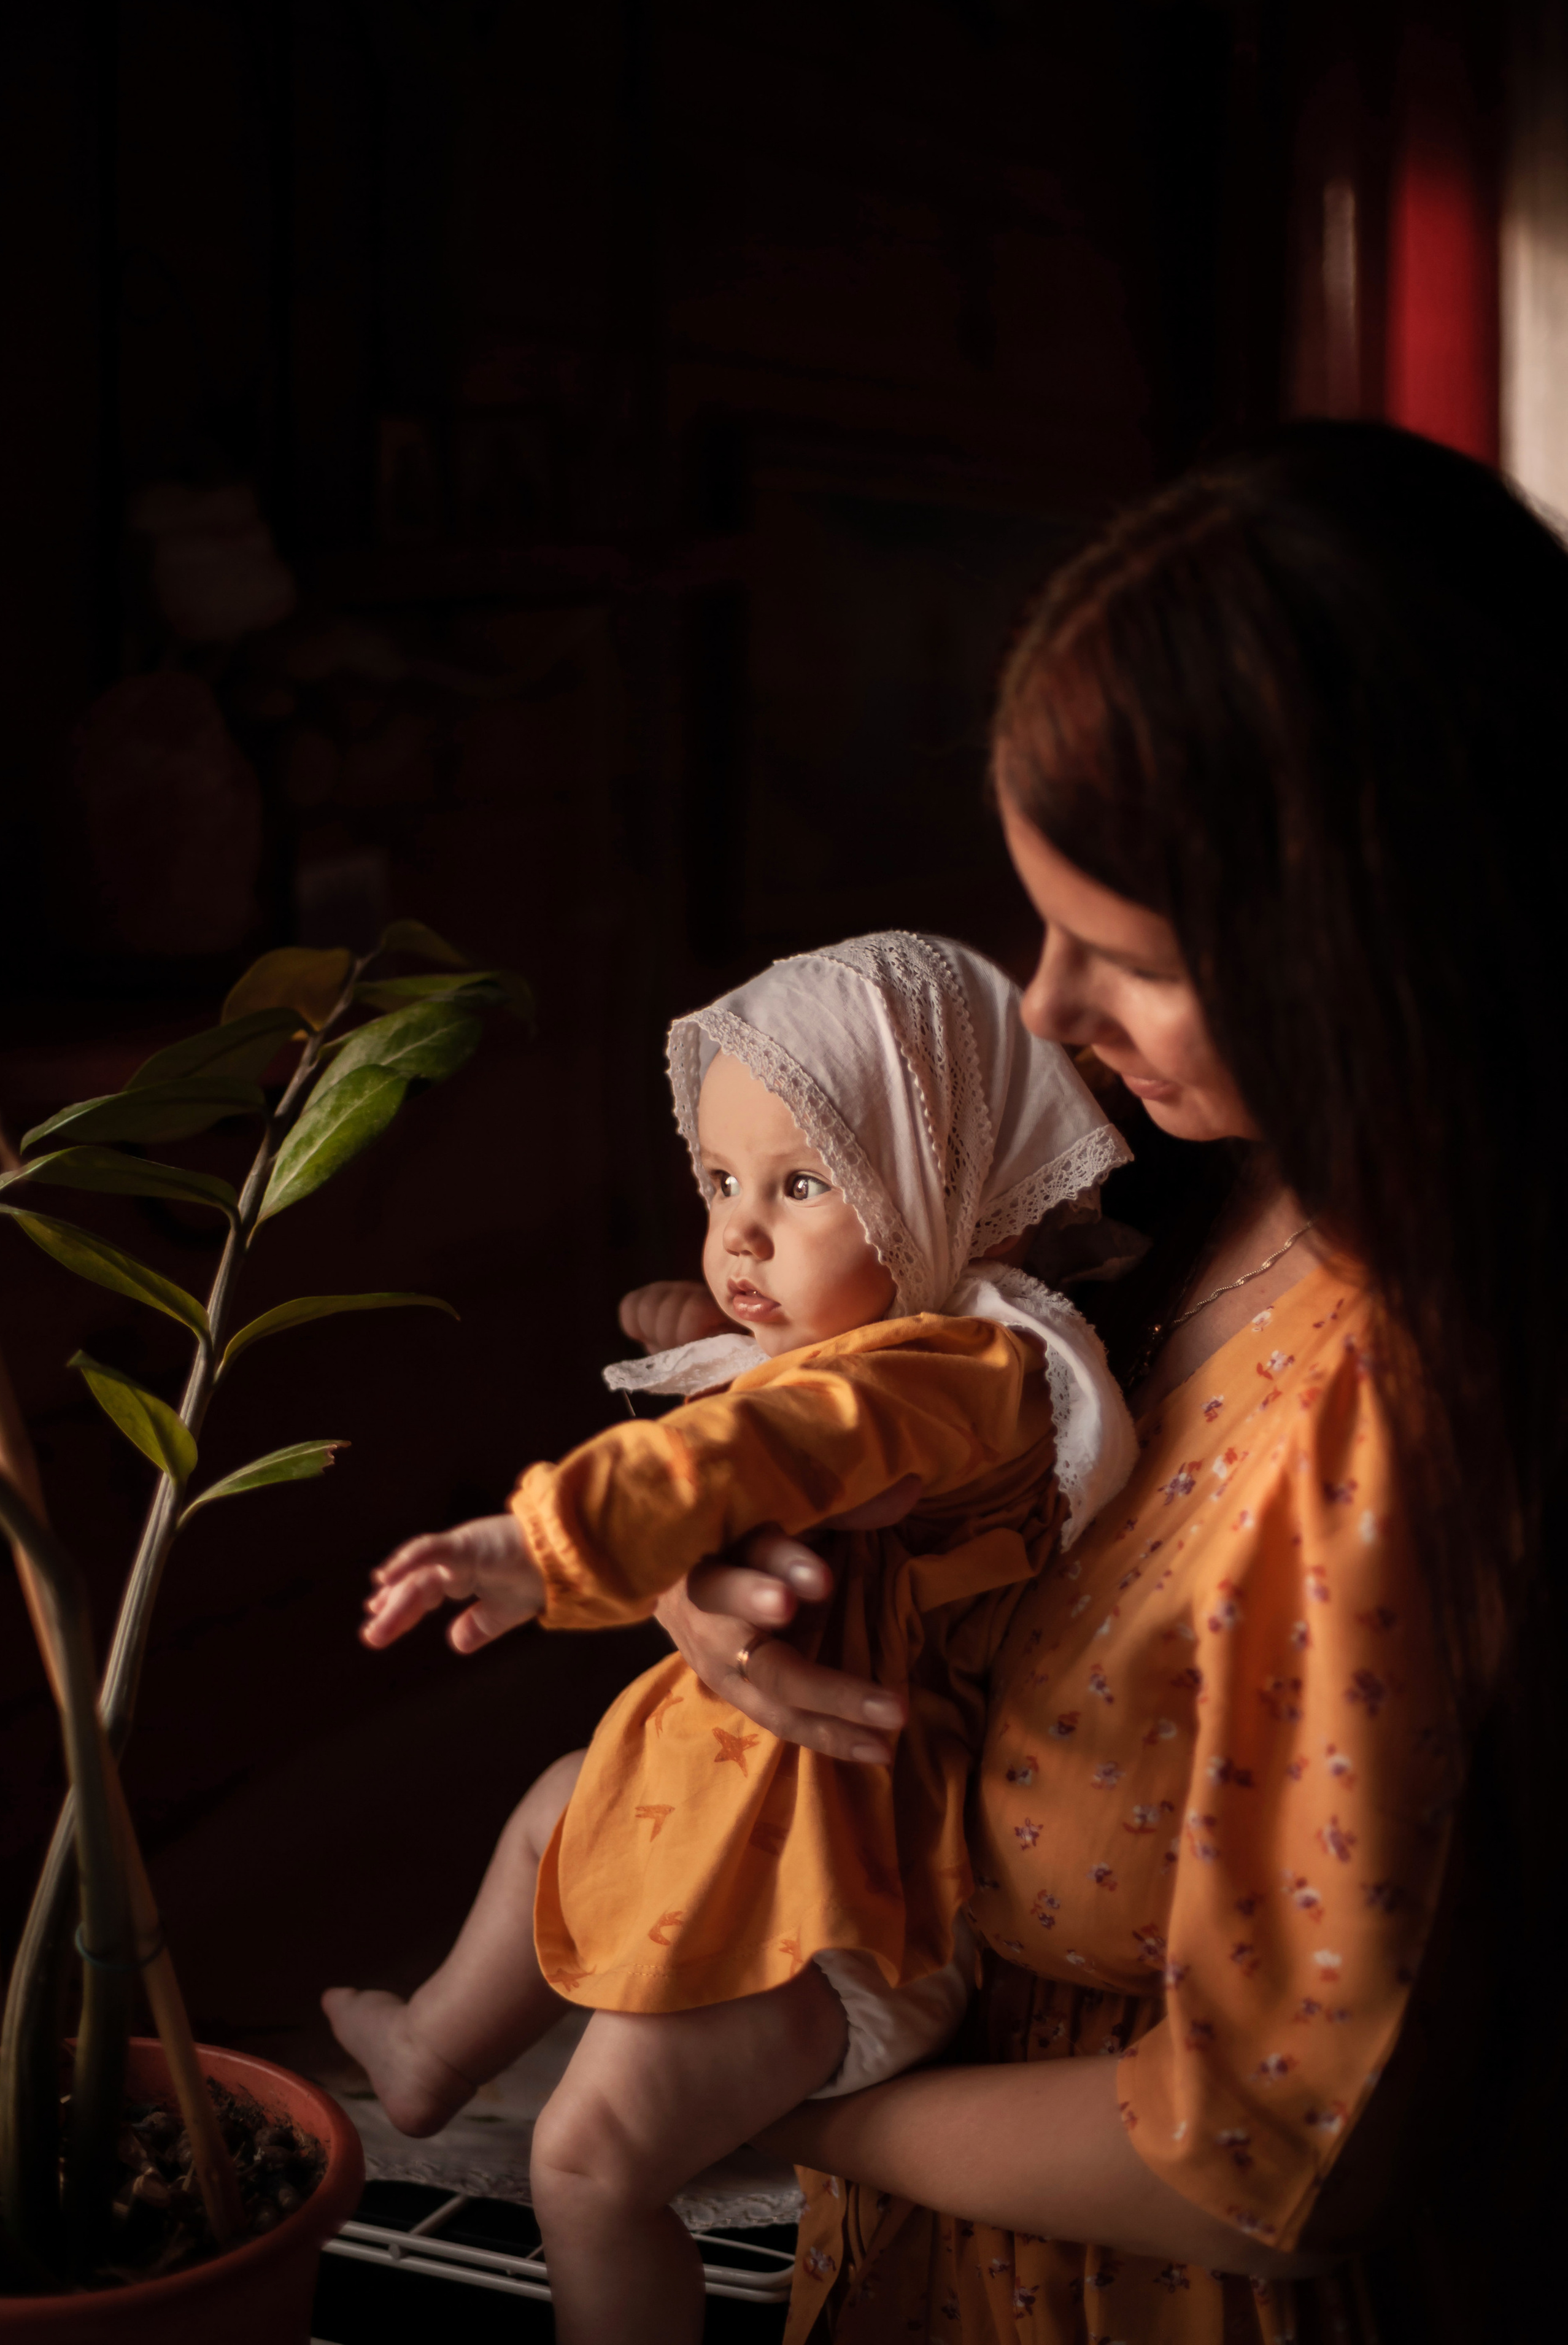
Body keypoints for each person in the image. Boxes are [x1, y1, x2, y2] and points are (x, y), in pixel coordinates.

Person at [635, 425, 1568, 2343]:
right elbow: (811, 1395)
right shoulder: (1183, 1205)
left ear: (1365, 957)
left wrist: (800, 2110)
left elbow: (1276, 2149)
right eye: (1040, 921)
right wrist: (719, 1573)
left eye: (1123, 956)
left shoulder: (1395, 1411)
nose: (1044, 1009)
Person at [323, 931, 1139, 2345]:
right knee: (553, 1810)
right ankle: (428, 2053)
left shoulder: (968, 1373)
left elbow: (781, 1436)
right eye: (718, 1183)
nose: (741, 1231)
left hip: (839, 1920)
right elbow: (793, 1389)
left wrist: (545, 1542)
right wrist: (707, 1324)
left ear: (960, 1206)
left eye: (801, 1183)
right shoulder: (889, 1344)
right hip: (746, 1818)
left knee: (583, 2165)